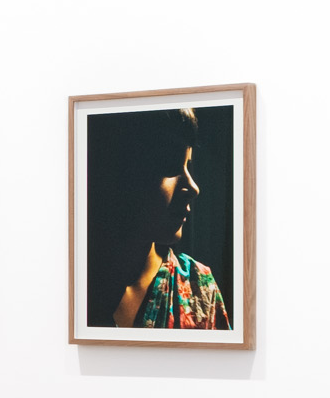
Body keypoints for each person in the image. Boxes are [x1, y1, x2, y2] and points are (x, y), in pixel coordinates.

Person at [91, 107, 229, 330]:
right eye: (170, 165)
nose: (193, 188)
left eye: (188, 167)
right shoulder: (73, 283)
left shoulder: (200, 291)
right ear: (120, 171)